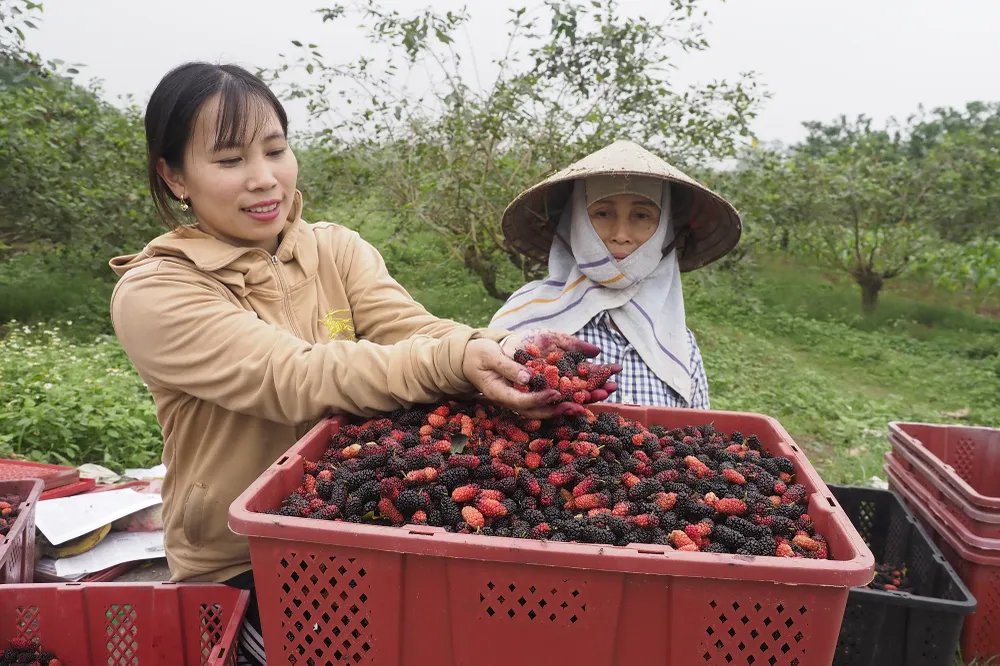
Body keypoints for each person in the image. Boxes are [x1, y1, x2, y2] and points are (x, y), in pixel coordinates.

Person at [109, 62, 605, 665]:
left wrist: (498, 348)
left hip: (360, 524)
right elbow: (295, 376)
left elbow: (414, 331)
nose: (264, 179)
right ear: (174, 175)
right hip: (242, 558)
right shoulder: (157, 294)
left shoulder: (335, 250)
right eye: (230, 160)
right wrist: (454, 358)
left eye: (276, 150)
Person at [491, 140, 742, 409]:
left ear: (664, 229)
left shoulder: (681, 345)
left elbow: (699, 435)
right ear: (576, 222)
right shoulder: (524, 322)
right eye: (602, 212)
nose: (621, 234)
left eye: (642, 215)